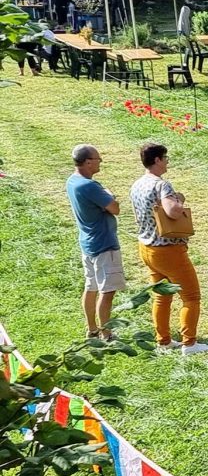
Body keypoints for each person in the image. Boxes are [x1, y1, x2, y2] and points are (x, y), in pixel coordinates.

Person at [129, 142, 208, 355]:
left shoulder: (137, 184)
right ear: (157, 160)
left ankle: (163, 340)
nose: (167, 161)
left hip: (146, 246)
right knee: (191, 296)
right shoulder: (161, 185)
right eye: (165, 158)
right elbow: (173, 212)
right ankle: (190, 342)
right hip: (168, 250)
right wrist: (179, 199)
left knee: (162, 295)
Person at [66, 144, 124, 341]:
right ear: (88, 162)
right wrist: (110, 196)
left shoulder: (72, 181)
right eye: (98, 159)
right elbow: (114, 208)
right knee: (107, 291)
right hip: (104, 244)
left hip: (88, 242)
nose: (101, 162)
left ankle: (91, 329)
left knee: (90, 287)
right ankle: (106, 333)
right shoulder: (89, 186)